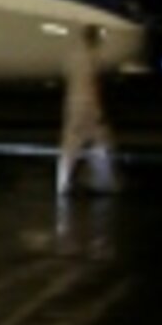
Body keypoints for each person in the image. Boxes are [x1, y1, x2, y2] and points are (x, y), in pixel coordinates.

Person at [56, 24, 120, 197]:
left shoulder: (72, 55)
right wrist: (100, 109)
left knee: (70, 145)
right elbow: (96, 83)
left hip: (72, 102)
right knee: (101, 142)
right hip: (89, 104)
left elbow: (66, 74)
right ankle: (105, 182)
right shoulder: (95, 56)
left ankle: (62, 183)